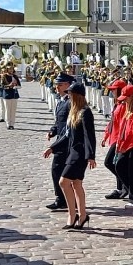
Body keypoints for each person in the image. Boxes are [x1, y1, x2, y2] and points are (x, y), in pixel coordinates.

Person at [45, 83, 96, 229]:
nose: (68, 96)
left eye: (71, 93)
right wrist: (52, 148)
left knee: (63, 182)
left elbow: (89, 136)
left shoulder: (85, 112)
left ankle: (72, 215)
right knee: (76, 184)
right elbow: (67, 136)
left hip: (80, 155)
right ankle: (82, 215)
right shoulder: (74, 112)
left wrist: (91, 156)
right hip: (72, 152)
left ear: (78, 95)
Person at [45, 73, 75, 211]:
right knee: (59, 172)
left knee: (59, 171)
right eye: (57, 84)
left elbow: (69, 128)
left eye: (60, 84)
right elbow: (59, 122)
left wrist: (53, 147)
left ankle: (62, 199)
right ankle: (64, 198)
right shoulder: (62, 101)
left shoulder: (70, 102)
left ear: (68, 85)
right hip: (61, 139)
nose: (57, 87)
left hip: (67, 143)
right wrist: (53, 131)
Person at [102, 79, 128, 200]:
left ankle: (127, 185)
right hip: (113, 137)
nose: (112, 93)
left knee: (109, 162)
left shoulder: (124, 105)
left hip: (119, 138)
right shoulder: (117, 103)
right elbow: (112, 121)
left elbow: (124, 124)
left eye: (114, 90)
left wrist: (120, 140)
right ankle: (120, 188)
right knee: (114, 163)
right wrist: (106, 135)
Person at [0, 61, 21, 130]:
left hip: (14, 95)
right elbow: (3, 86)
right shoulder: (4, 76)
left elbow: (19, 86)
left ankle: (12, 124)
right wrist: (9, 86)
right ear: (7, 69)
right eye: (9, 69)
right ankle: (8, 124)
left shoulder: (15, 76)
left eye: (12, 69)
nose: (11, 70)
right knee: (8, 110)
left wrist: (15, 86)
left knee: (13, 110)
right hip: (7, 94)